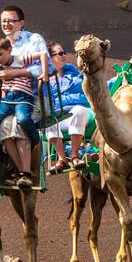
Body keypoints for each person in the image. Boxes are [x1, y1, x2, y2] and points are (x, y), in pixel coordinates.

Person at [0, 36, 47, 188]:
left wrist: (44, 72)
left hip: (22, 97)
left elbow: (43, 54)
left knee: (23, 120)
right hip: (6, 100)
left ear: (9, 50)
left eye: (0, 54)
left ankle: (34, 139)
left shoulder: (20, 59)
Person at [42, 40, 93, 172]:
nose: (64, 55)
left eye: (64, 52)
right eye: (59, 53)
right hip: (61, 115)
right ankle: (62, 159)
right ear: (49, 58)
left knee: (79, 111)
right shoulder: (44, 79)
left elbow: (87, 85)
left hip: (83, 110)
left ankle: (75, 155)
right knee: (48, 119)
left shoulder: (71, 70)